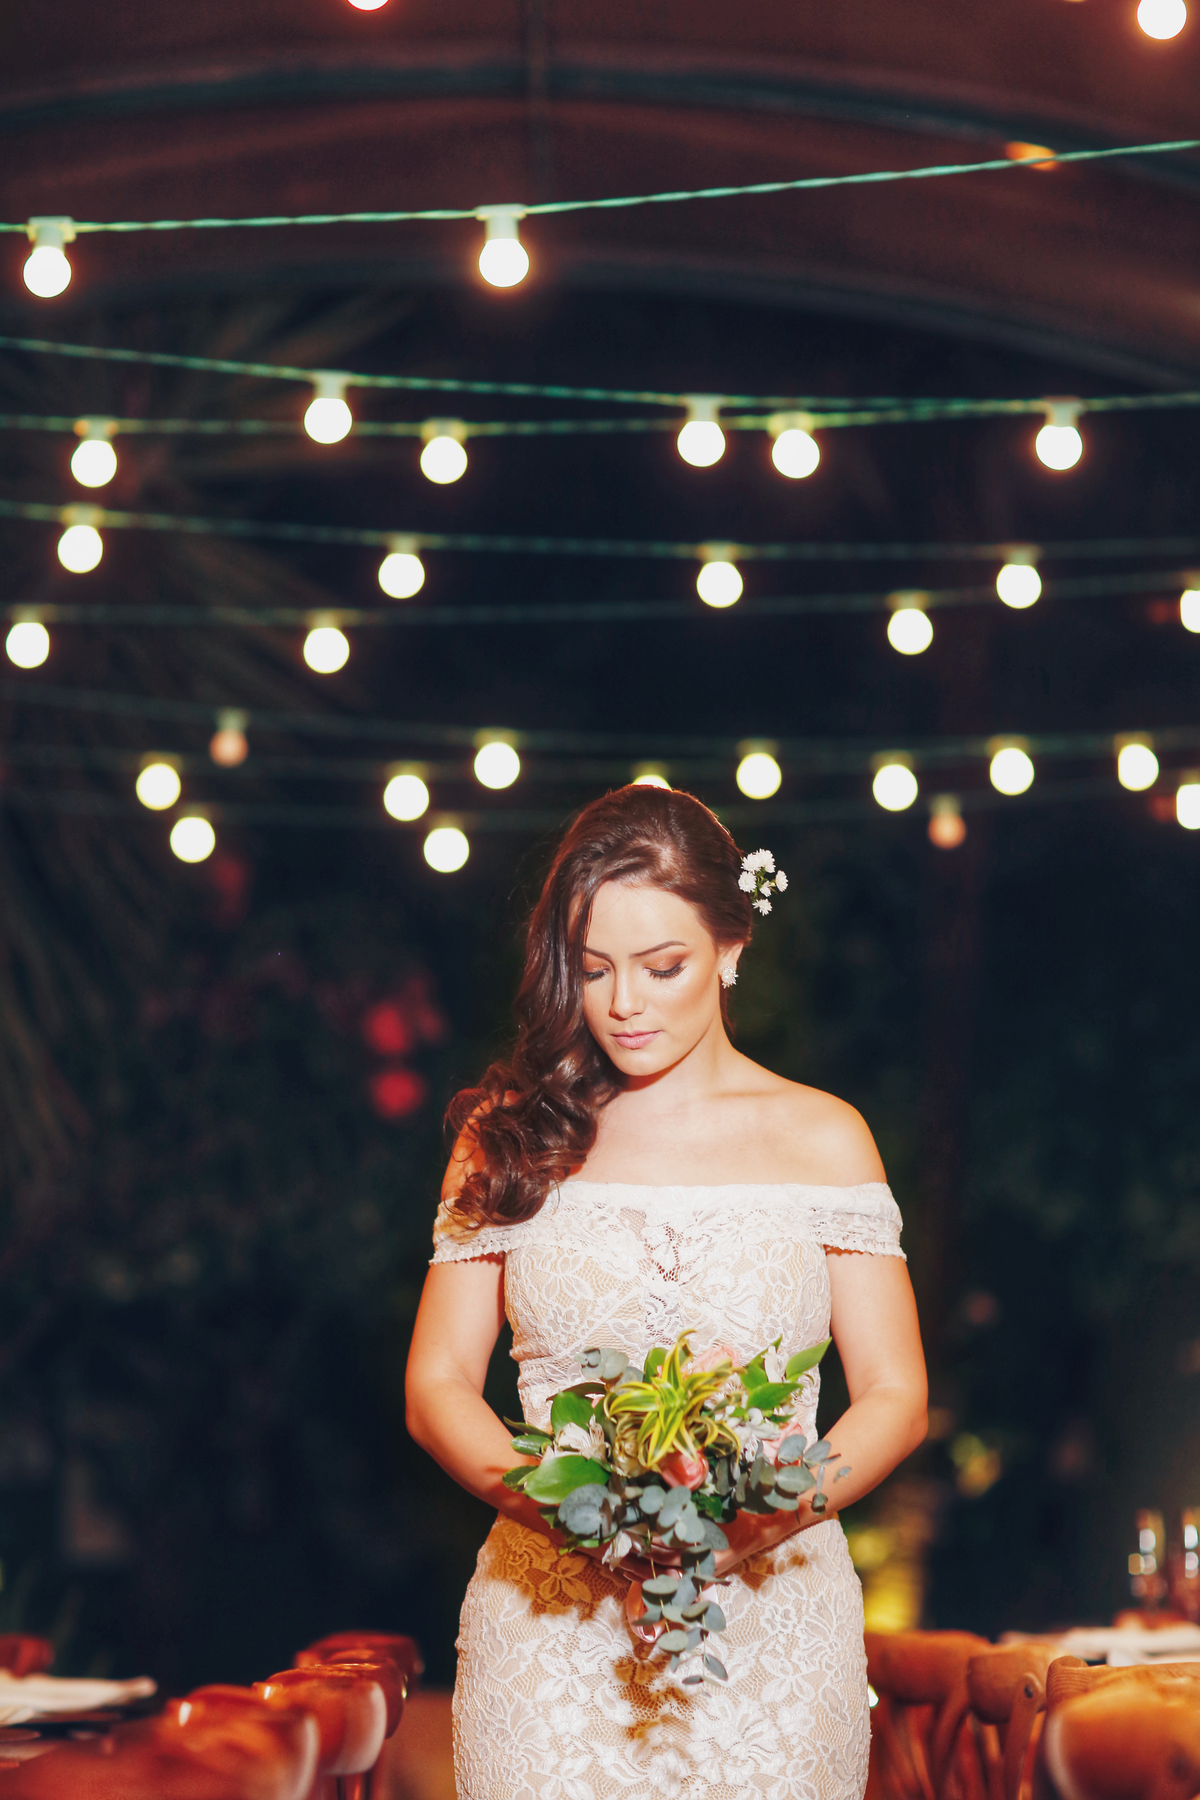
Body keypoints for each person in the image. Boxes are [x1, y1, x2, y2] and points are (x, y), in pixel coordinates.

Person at [406, 785, 928, 1800]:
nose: (624, 1005)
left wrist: (749, 1526)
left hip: (774, 1626)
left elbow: (898, 1395)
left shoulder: (825, 1138)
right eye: (594, 970)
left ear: (732, 948)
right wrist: (581, 1514)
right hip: (551, 1636)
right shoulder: (509, 1138)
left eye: (662, 967)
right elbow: (436, 1386)